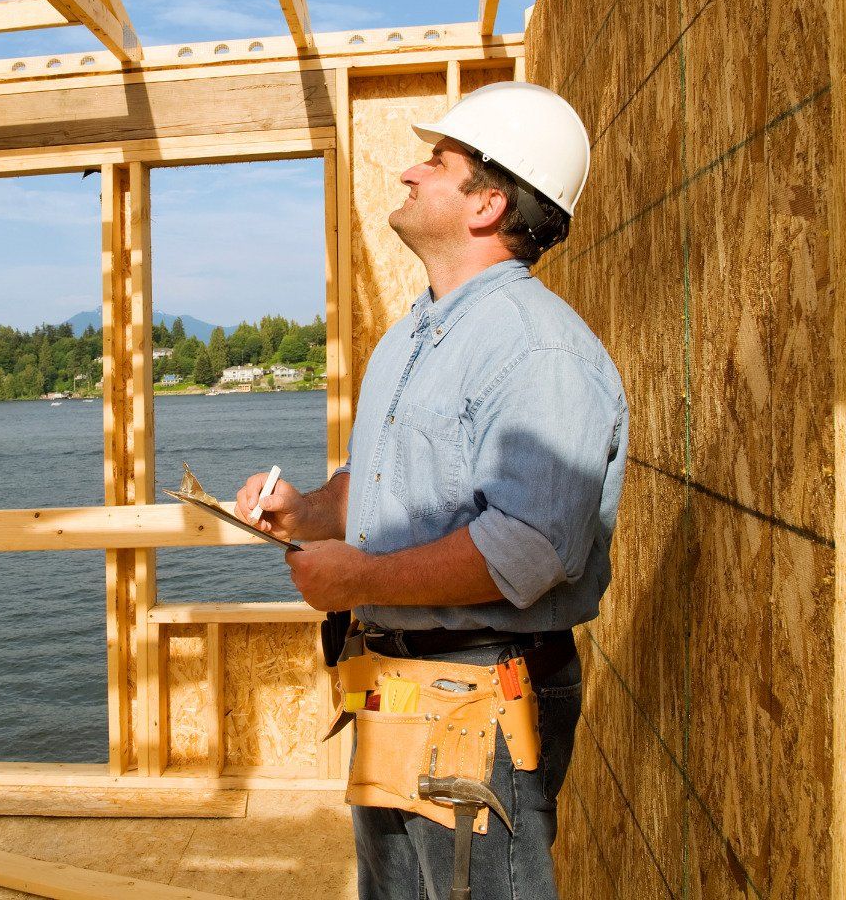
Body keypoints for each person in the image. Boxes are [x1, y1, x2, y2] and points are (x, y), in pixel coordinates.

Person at [235, 82, 627, 900]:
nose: (410, 171)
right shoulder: (416, 335)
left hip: (479, 697)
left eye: (437, 162)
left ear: (487, 203)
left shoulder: (537, 352)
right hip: (398, 686)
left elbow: (530, 549)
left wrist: (360, 579)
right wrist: (308, 511)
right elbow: (380, 482)